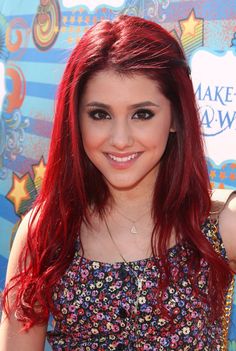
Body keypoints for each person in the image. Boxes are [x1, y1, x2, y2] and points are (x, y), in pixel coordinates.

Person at [0, 14, 236, 351]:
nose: (120, 139)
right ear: (75, 118)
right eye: (100, 114)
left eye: (142, 114)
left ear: (175, 117)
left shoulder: (220, 222)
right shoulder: (47, 231)